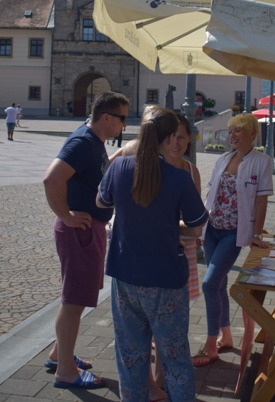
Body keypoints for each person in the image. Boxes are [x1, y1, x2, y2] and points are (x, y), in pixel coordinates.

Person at [97, 108, 208, 401]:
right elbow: (196, 227)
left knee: (130, 356)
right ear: (170, 137)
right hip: (165, 277)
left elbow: (101, 201)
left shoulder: (120, 168)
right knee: (175, 358)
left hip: (125, 274)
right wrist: (170, 224)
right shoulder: (179, 177)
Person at [42, 91, 129, 389]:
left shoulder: (93, 140)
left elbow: (94, 173)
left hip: (87, 229)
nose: (124, 125)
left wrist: (119, 155)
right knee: (74, 300)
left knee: (75, 298)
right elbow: (51, 178)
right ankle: (66, 372)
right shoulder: (83, 142)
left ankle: (59, 354)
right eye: (122, 118)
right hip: (79, 230)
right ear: (106, 117)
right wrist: (65, 215)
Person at [193, 112, 274, 367]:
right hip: (212, 229)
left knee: (209, 284)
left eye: (238, 131)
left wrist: (257, 234)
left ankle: (210, 344)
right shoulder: (224, 158)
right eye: (231, 131)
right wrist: (199, 226)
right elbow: (211, 195)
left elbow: (261, 201)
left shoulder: (262, 161)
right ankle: (226, 336)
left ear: (252, 133)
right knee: (218, 284)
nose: (232, 136)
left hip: (233, 233)